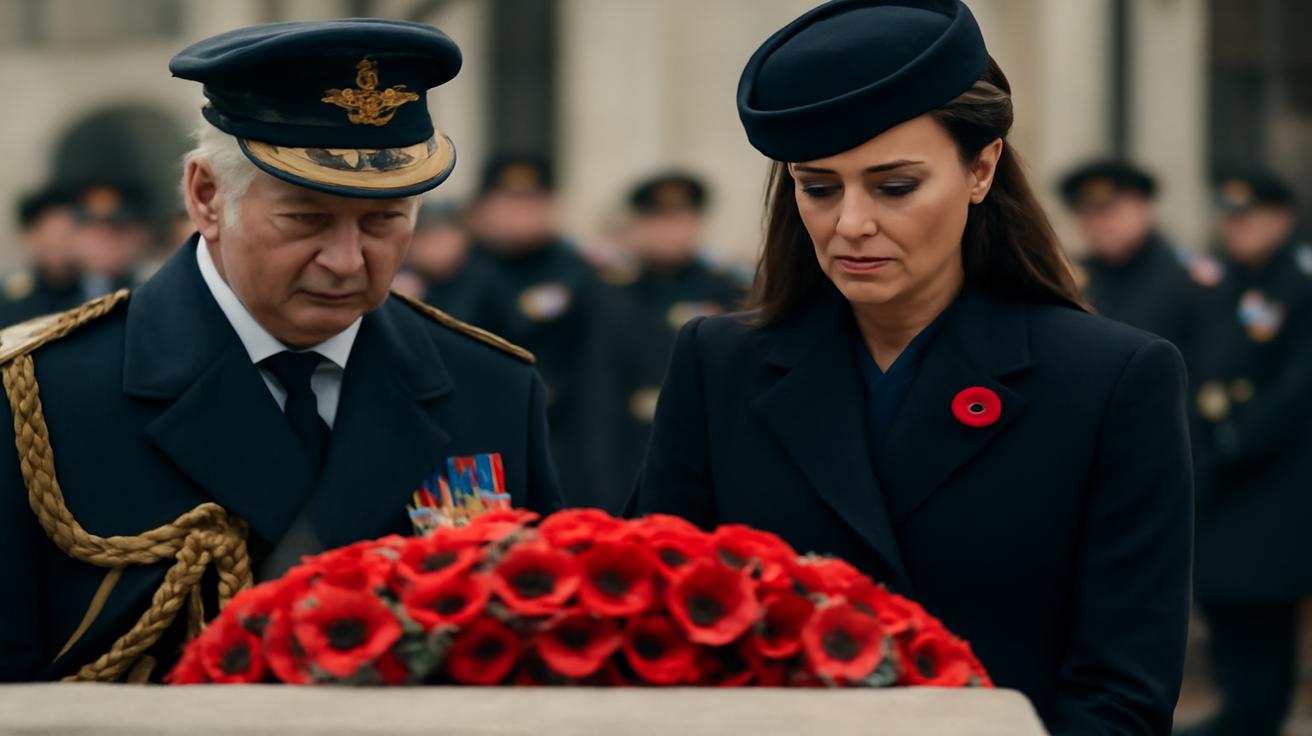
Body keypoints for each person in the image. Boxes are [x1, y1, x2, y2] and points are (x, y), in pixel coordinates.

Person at [628, 2, 1192, 733]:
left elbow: (1121, 690)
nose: (851, 223)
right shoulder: (718, 364)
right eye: (818, 187)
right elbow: (652, 627)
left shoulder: (1111, 381)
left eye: (895, 187)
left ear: (981, 168)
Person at [0, 19, 561, 684]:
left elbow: (540, 654)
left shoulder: (489, 388)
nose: (348, 261)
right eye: (306, 219)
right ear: (207, 197)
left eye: (385, 221)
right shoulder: (46, 393)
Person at [1185, 169, 1312, 736]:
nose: (1239, 228)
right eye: (1231, 217)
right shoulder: (1222, 283)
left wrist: (1237, 439)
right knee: (1226, 609)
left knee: (1263, 620)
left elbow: (1296, 387)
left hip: (1272, 487)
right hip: (1219, 484)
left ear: (1282, 220)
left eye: (1252, 216)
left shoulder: (1299, 285)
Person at [589, 172, 745, 510]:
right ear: (639, 225)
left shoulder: (727, 291)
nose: (670, 232)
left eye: (680, 220)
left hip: (702, 449)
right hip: (630, 451)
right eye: (658, 221)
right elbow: (599, 394)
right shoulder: (612, 294)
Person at [465, 154, 606, 505]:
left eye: (532, 203)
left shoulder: (581, 273)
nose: (520, 214)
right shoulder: (460, 268)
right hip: (474, 438)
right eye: (509, 203)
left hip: (562, 439)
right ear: (483, 208)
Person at [1059, 159, 1199, 356]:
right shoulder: (1071, 279)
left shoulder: (1185, 279)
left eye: (1111, 211)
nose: (1100, 224)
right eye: (1089, 213)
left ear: (1143, 209)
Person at [392, 199, 515, 329]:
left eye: (442, 238)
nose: (435, 248)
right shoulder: (399, 279)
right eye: (426, 239)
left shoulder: (486, 276)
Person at [0, 184, 81, 327]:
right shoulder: (9, 296)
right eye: (51, 234)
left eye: (66, 233)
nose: (59, 243)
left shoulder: (100, 290)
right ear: (29, 235)